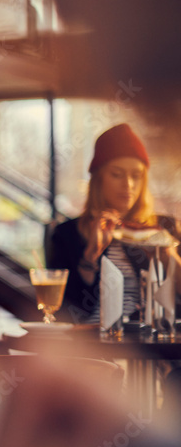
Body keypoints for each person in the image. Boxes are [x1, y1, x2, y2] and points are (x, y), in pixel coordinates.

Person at [48, 123, 180, 324]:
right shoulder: (66, 234)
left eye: (136, 176)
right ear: (98, 179)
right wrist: (90, 256)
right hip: (90, 346)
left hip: (149, 344)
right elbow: (68, 311)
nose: (128, 185)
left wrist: (170, 260)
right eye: (117, 174)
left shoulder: (165, 228)